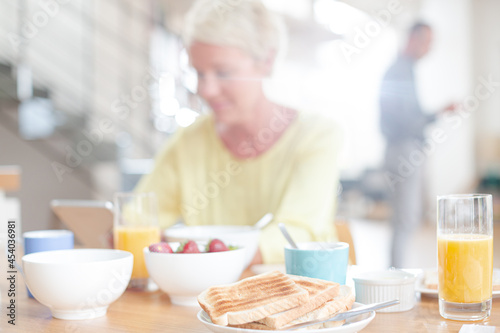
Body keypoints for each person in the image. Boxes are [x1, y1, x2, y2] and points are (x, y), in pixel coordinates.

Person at [134, 0, 342, 264]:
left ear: (266, 60)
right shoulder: (187, 143)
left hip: (303, 293)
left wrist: (207, 254)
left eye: (223, 73)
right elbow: (137, 220)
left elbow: (298, 232)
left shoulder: (317, 136)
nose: (206, 90)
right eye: (198, 73)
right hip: (210, 299)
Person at [379, 22, 455, 267]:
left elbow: (408, 115)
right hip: (404, 150)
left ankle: (397, 273)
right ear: (413, 38)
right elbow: (404, 121)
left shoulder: (404, 71)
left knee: (407, 218)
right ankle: (396, 276)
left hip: (403, 149)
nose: (428, 49)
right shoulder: (398, 71)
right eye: (427, 42)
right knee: (405, 219)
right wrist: (436, 115)